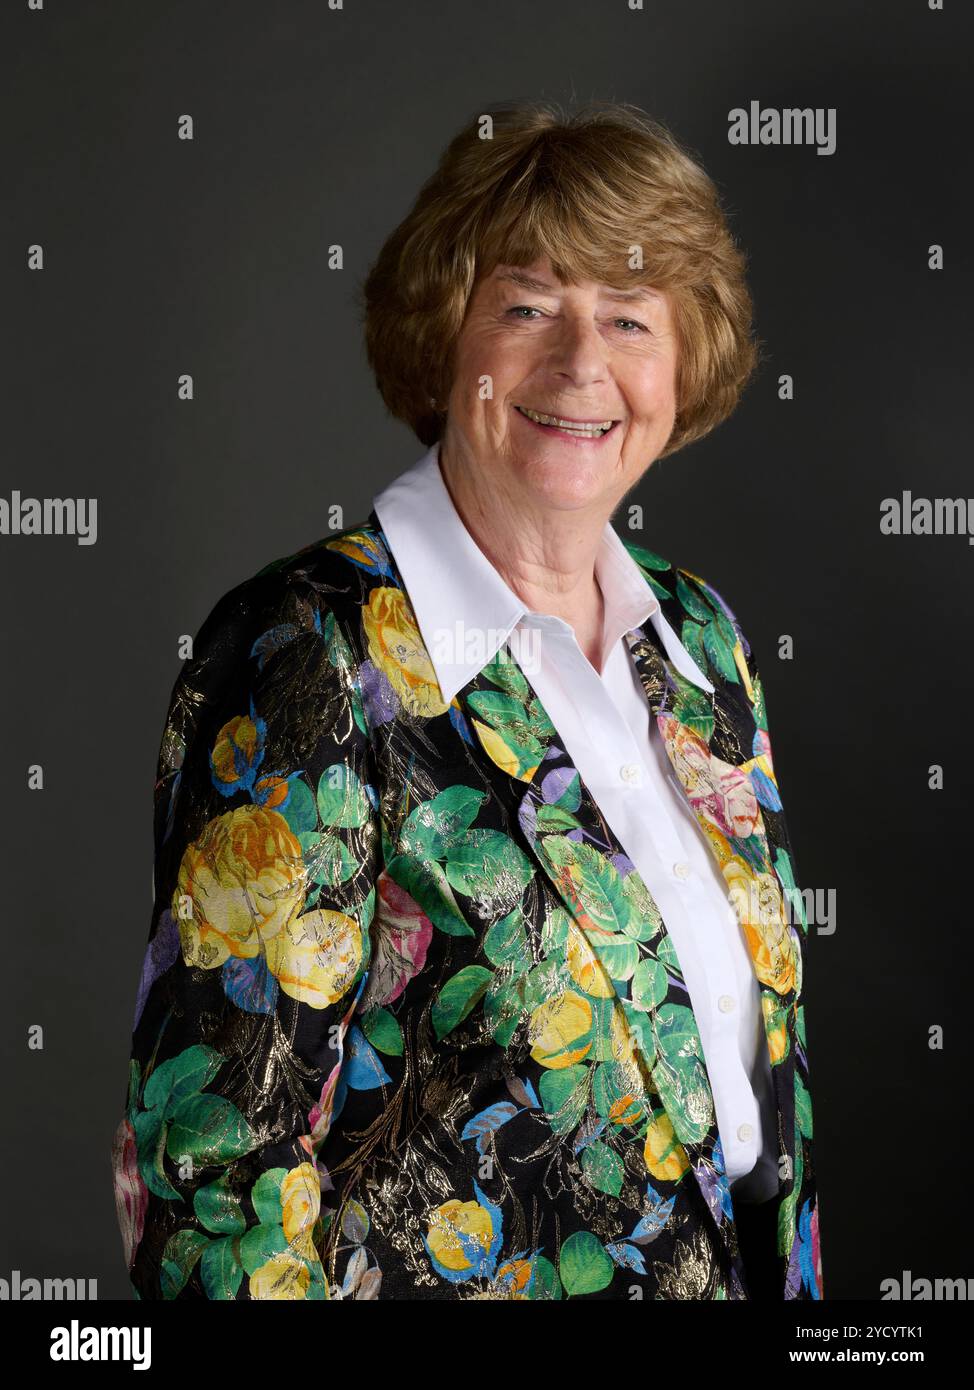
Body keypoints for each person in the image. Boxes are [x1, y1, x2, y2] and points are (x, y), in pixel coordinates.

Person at [112, 100, 824, 1301]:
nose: (581, 366)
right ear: (442, 337)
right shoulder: (311, 651)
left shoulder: (698, 639)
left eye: (629, 317)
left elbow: (751, 1123)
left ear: (683, 362)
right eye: (529, 306)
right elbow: (213, 1189)